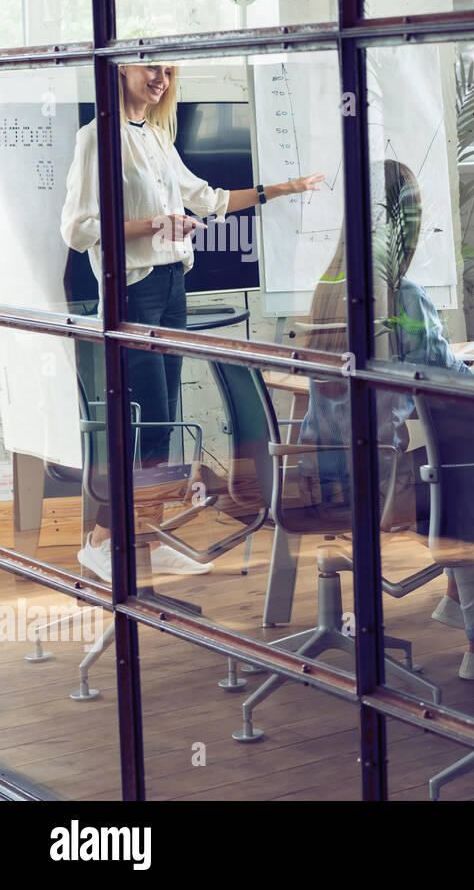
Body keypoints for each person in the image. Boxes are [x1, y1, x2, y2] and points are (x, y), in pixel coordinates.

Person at [61, 62, 325, 582]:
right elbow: (78, 227)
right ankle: (102, 541)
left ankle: (146, 533)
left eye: (167, 70)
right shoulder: (97, 138)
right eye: (149, 68)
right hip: (131, 288)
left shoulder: (157, 138)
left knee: (165, 419)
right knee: (147, 422)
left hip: (173, 287)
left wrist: (286, 187)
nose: (159, 78)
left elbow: (210, 199)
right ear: (121, 71)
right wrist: (157, 223)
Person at [298, 159, 474, 681]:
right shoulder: (400, 296)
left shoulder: (328, 286)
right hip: (382, 480)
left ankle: (459, 597)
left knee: (453, 454)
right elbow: (459, 385)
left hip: (318, 470)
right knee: (471, 468)